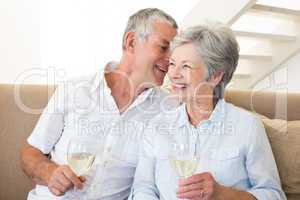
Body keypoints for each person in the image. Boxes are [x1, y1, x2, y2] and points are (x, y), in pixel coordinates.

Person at [20, 8, 177, 200]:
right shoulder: (74, 89)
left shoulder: (169, 109)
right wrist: (49, 172)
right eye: (163, 47)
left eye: (174, 52)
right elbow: (31, 152)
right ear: (131, 42)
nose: (171, 59)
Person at [131, 23, 287, 200]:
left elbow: (274, 195)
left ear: (215, 76)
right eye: (173, 64)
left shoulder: (247, 126)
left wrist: (223, 194)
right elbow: (143, 188)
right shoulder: (157, 126)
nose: (173, 74)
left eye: (186, 67)